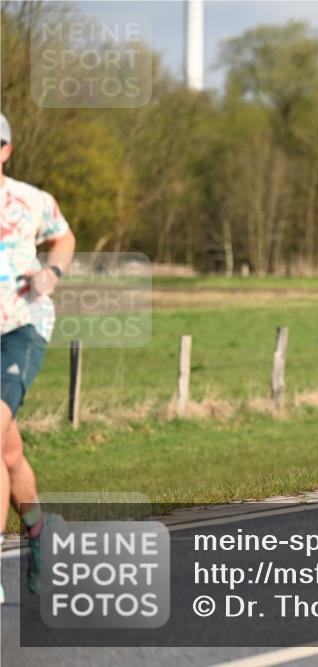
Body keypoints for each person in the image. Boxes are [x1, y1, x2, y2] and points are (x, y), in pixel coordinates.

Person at [0, 112, 76, 603]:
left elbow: (64, 237)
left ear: (5, 149)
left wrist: (52, 273)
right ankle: (39, 535)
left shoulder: (30, 199)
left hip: (21, 327)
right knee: (9, 450)